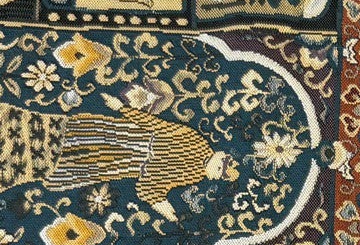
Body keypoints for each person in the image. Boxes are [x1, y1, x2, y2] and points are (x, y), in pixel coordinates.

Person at [0, 93, 238, 221]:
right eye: (221, 169)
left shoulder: (196, 173)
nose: (217, 175)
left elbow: (151, 183)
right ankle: (15, 134)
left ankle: (18, 163)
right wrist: (121, 108)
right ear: (220, 158)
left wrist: (161, 204)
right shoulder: (196, 144)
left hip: (119, 162)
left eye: (221, 175)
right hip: (124, 141)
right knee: (70, 137)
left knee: (68, 159)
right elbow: (157, 127)